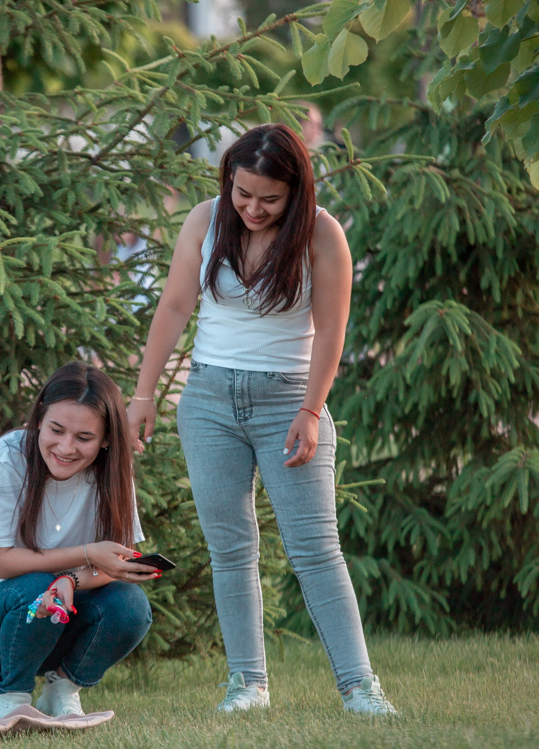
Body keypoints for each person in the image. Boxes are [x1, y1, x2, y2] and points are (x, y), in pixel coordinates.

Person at [126, 123, 398, 715]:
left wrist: (310, 410)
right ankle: (247, 686)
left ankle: (360, 689)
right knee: (230, 549)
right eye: (242, 193)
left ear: (296, 191)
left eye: (269, 198)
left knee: (316, 549)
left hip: (288, 401)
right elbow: (174, 305)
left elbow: (332, 330)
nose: (251, 208)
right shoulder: (205, 220)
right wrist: (143, 395)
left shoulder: (322, 233)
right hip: (208, 402)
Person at [0, 362, 159, 718]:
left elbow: (116, 563)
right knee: (39, 585)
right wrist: (84, 555)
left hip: (56, 620)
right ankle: (13, 698)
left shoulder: (114, 472)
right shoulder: (5, 459)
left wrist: (70, 579)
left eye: (84, 438)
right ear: (40, 416)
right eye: (56, 430)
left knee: (130, 605)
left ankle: (62, 690)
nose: (65, 447)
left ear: (106, 439)